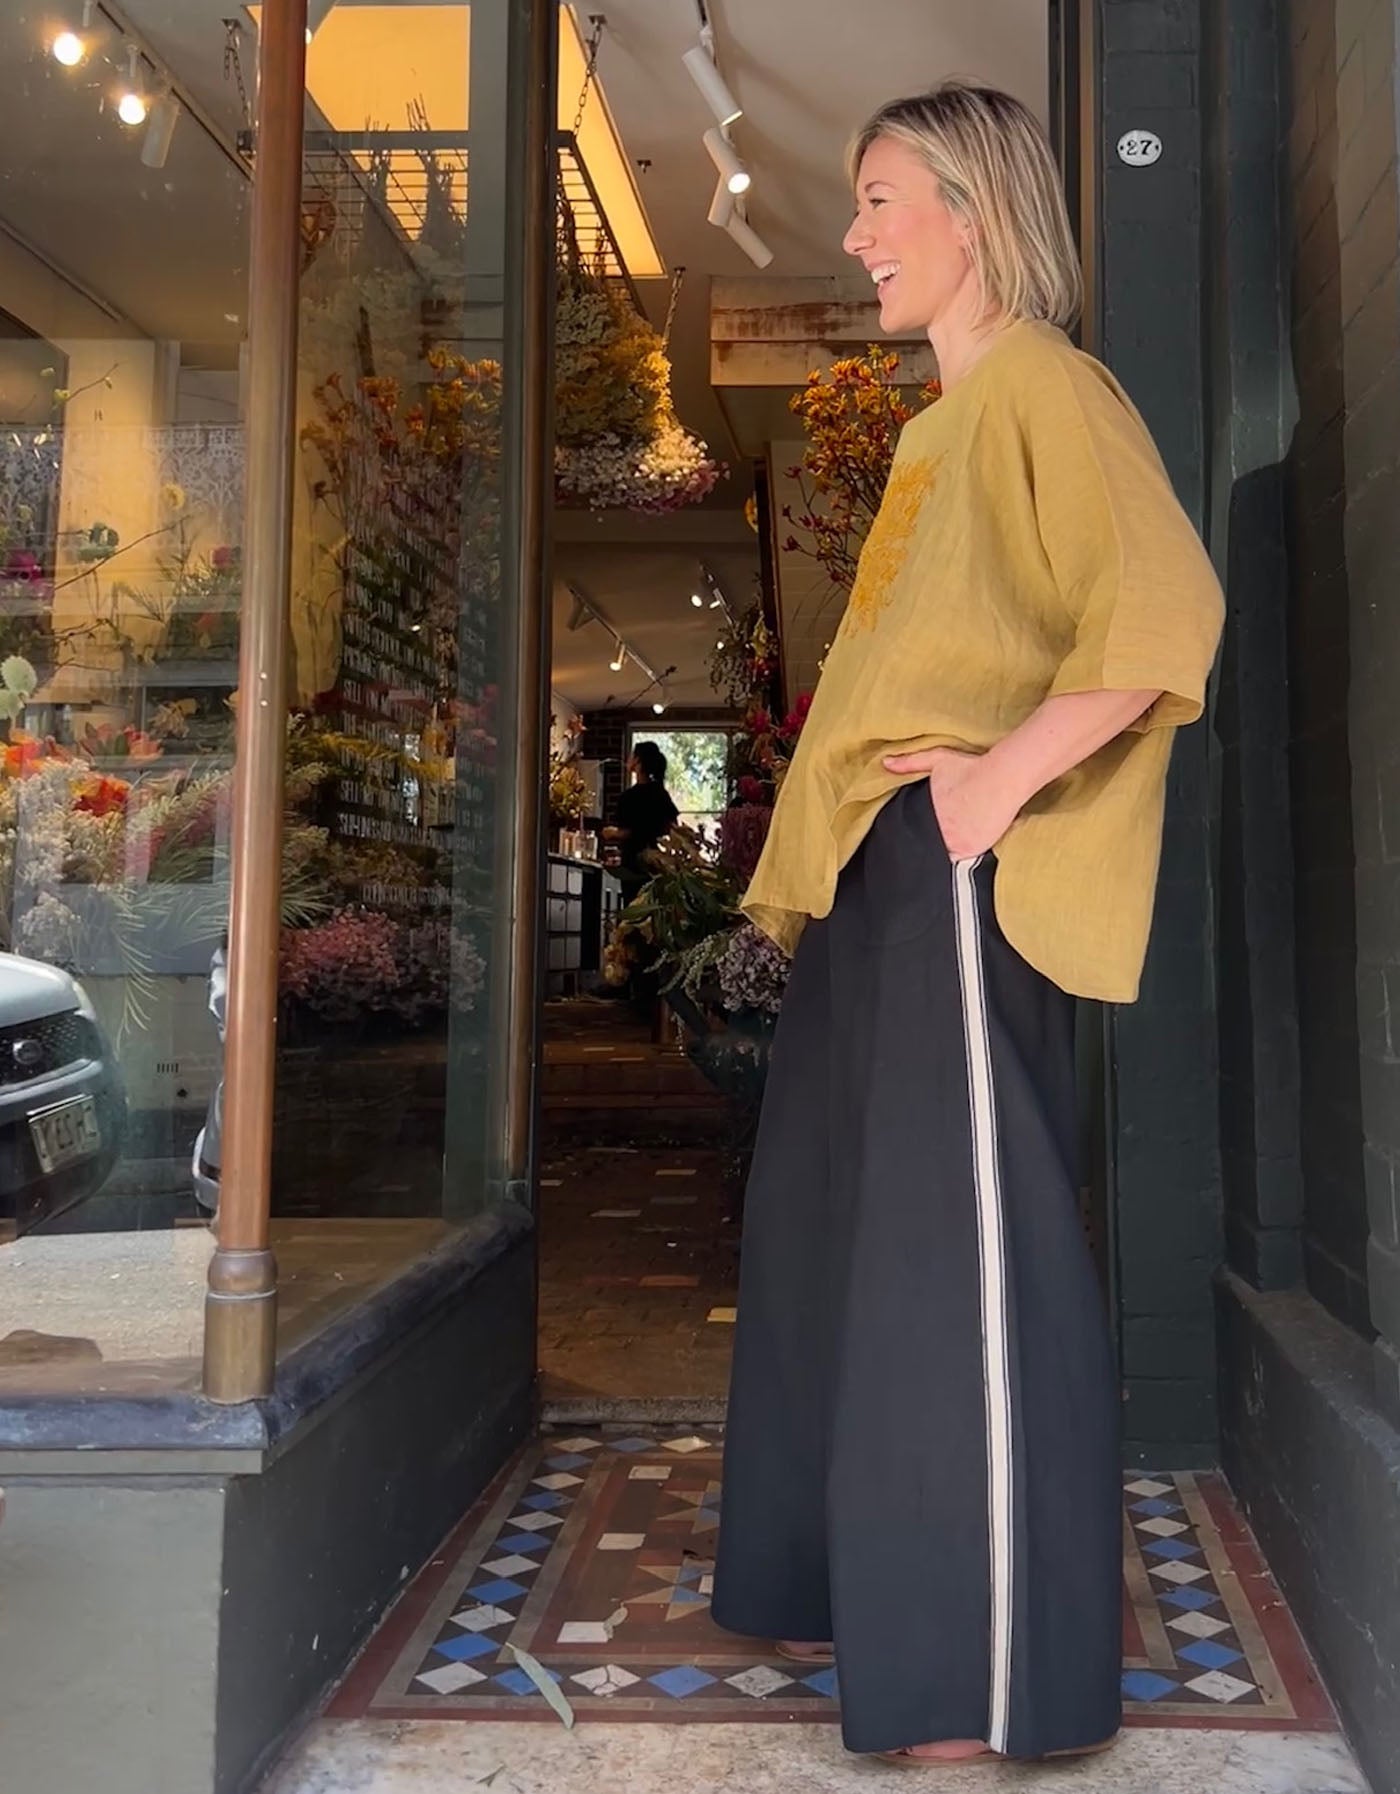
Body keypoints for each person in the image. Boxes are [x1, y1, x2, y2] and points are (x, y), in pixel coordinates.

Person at [709, 81, 1224, 1769]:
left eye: (881, 197)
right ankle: (852, 1584)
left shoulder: (1047, 386)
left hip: (953, 876)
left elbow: (1164, 610)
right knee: (833, 1241)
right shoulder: (943, 425)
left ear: (975, 211)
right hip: (880, 873)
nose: (855, 232)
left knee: (957, 1269)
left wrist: (996, 783)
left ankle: (979, 1674)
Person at [603, 741, 679, 900]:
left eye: (632, 755)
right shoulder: (660, 793)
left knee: (633, 906)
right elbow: (672, 827)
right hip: (656, 865)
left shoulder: (629, 797)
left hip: (632, 865)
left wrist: (611, 833)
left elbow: (627, 832)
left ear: (637, 761)